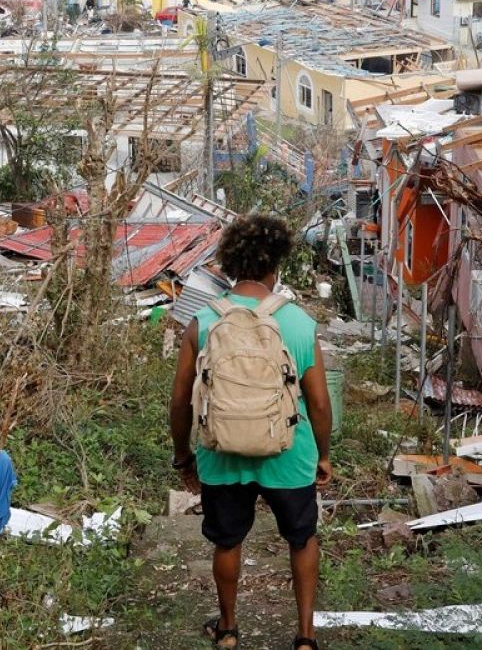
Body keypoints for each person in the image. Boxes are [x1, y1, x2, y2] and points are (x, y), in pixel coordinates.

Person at [170, 214, 333, 650]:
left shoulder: (203, 321)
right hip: (288, 453)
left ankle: (227, 628)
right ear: (274, 267)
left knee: (227, 541)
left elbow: (180, 400)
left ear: (229, 265)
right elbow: (318, 403)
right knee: (302, 539)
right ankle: (304, 636)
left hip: (221, 453)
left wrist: (183, 456)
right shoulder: (298, 322)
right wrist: (323, 454)